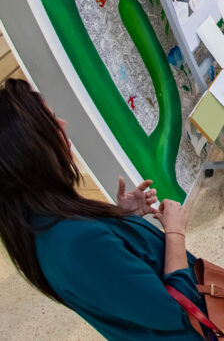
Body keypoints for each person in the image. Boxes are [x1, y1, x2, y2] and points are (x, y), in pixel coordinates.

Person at [0, 78, 206, 340]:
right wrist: (175, 231)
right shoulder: (76, 242)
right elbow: (173, 310)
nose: (62, 124)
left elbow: (118, 283)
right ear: (27, 150)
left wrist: (124, 221)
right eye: (50, 120)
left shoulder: (47, 224)